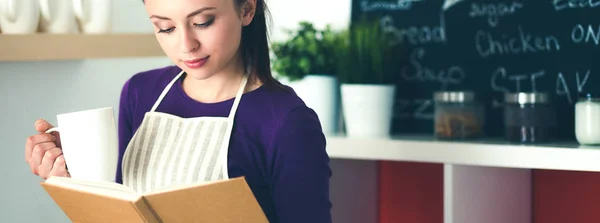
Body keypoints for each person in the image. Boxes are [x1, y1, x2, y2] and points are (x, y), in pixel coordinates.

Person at [23, 0, 332, 222]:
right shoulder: (140, 93)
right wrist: (70, 177)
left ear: (247, 8)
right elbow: (124, 208)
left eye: (202, 22)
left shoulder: (287, 121)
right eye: (165, 28)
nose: (186, 45)